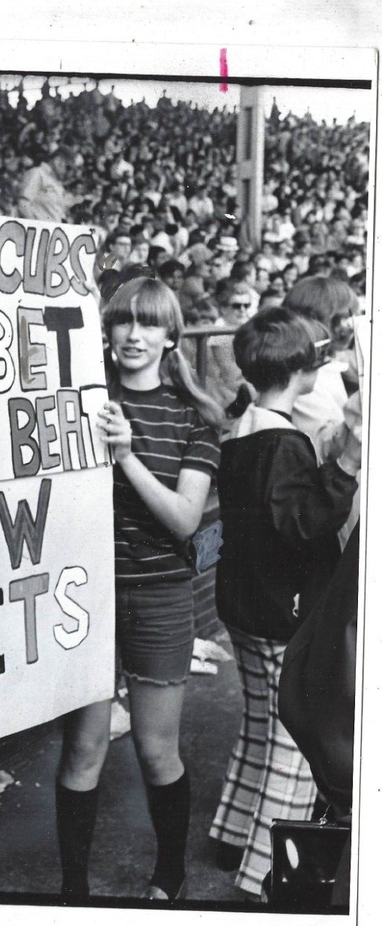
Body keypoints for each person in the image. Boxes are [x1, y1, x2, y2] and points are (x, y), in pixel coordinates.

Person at [56, 278, 223, 903]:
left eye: (148, 323)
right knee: (84, 749)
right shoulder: (78, 399)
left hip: (158, 597)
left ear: (170, 337)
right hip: (84, 597)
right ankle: (73, 892)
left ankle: (169, 878)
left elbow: (184, 519)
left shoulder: (193, 418)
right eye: (123, 320)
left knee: (157, 751)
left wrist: (125, 455)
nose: (133, 334)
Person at [209, 308, 359, 898]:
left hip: (243, 607)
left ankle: (229, 837)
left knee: (257, 729)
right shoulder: (285, 442)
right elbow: (303, 522)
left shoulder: (243, 429)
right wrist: (344, 463)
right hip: (281, 611)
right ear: (303, 369)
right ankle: (262, 878)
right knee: (293, 749)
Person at [283, 276, 355, 460]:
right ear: (315, 320)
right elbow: (330, 446)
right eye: (344, 317)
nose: (351, 326)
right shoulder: (303, 375)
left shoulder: (328, 364)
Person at [17, 146, 75, 222]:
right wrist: (35, 225)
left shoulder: (58, 185)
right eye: (68, 168)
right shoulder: (38, 173)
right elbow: (23, 203)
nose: (68, 173)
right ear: (58, 161)